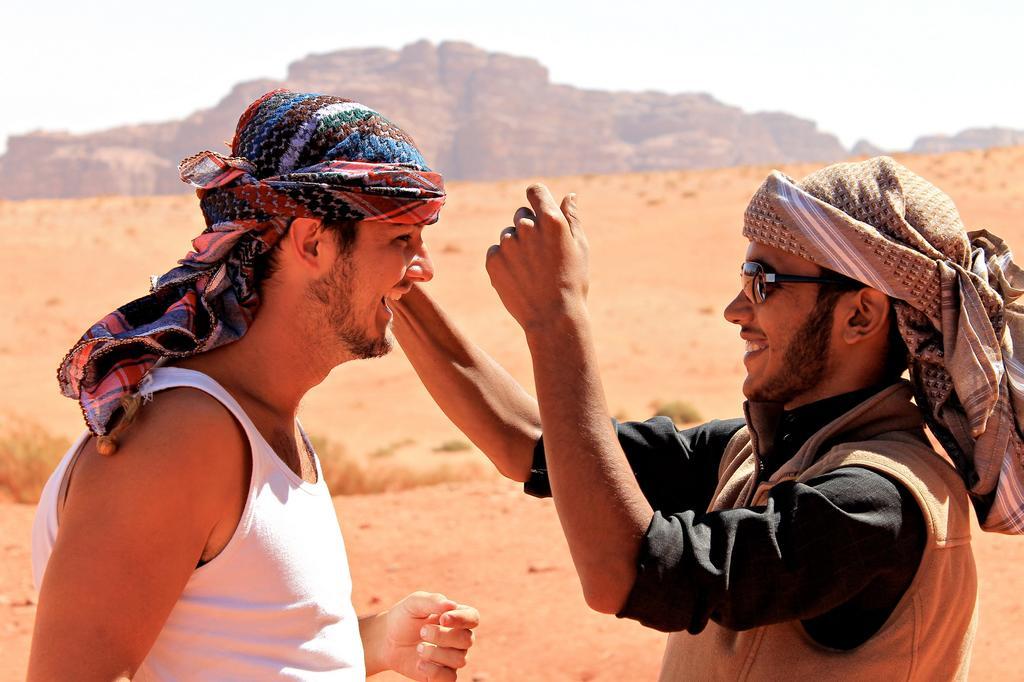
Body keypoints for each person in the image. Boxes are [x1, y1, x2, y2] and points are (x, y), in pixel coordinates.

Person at [392, 157, 1024, 680]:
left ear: (860, 315)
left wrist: (557, 319)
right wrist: (392, 280)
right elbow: (531, 444)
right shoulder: (755, 452)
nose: (734, 309)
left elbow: (626, 573)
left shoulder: (874, 504)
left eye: (763, 281)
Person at [30, 90, 478, 682]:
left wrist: (365, 642)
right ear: (313, 241)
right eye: (401, 240)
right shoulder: (184, 439)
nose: (421, 270)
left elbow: (234, 649)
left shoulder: (260, 425)